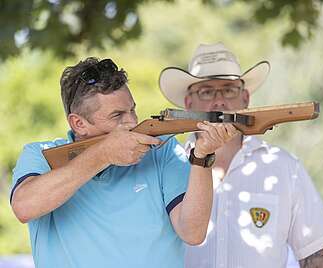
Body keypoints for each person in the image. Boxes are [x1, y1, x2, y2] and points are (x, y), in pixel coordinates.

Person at [10, 57, 239, 268]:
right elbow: (24, 206)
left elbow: (193, 232)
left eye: (132, 110)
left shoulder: (162, 149)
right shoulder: (40, 155)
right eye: (117, 115)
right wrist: (103, 154)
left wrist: (202, 156)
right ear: (78, 124)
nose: (131, 121)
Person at [159, 43, 323, 268]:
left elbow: (314, 255)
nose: (219, 101)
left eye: (229, 89)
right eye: (206, 91)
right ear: (188, 103)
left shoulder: (284, 167)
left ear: (245, 97)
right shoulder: (166, 167)